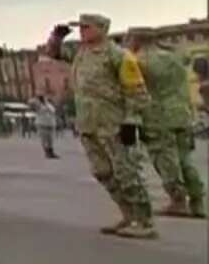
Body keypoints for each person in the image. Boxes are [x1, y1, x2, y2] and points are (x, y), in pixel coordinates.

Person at [44, 14, 156, 238]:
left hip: (113, 124)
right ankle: (128, 214)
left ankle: (144, 221)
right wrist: (56, 38)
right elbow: (54, 54)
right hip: (89, 124)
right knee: (102, 172)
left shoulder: (118, 55)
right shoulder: (81, 54)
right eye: (81, 28)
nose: (82, 31)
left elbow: (137, 91)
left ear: (102, 29)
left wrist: (131, 120)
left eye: (87, 27)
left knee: (127, 172)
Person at [128, 29, 204, 220]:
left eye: (129, 39)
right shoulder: (176, 56)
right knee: (185, 159)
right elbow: (185, 54)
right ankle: (198, 201)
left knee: (165, 159)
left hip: (158, 117)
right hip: (181, 114)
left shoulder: (139, 61)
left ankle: (178, 200)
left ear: (137, 39)